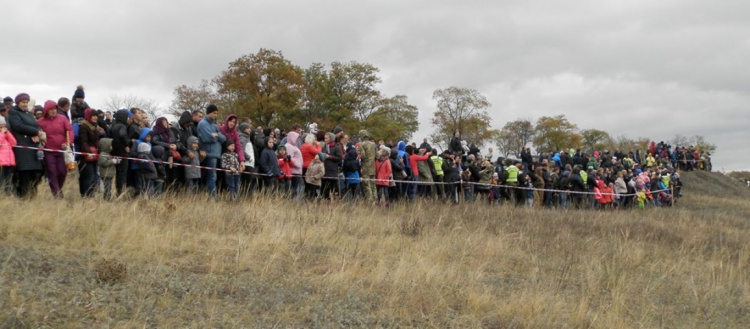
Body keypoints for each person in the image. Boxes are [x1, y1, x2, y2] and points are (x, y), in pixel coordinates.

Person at [7, 93, 44, 198]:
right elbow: (18, 126)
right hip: (22, 146)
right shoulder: (13, 113)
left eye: (27, 102)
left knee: (36, 173)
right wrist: (35, 132)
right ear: (18, 102)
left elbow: (35, 125)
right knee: (24, 173)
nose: (25, 104)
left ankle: (31, 195)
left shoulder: (28, 113)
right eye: (23, 102)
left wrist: (37, 133)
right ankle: (22, 196)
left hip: (33, 147)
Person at [37, 100, 73, 198]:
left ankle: (58, 189)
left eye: (55, 109)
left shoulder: (62, 118)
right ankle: (57, 194)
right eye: (51, 109)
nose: (53, 111)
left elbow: (69, 131)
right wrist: (40, 140)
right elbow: (37, 133)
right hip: (48, 151)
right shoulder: (41, 121)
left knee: (62, 172)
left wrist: (68, 143)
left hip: (62, 151)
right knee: (52, 172)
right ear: (46, 111)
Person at [196, 104, 226, 199]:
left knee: (214, 176)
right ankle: (212, 196)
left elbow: (223, 138)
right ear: (209, 112)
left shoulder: (214, 124)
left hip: (216, 153)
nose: (215, 115)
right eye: (214, 113)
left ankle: (212, 195)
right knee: (211, 175)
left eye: (217, 113)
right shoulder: (203, 123)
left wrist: (216, 135)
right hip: (209, 153)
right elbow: (207, 137)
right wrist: (215, 136)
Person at [78, 108, 101, 198]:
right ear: (88, 116)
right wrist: (88, 152)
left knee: (94, 176)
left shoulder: (96, 127)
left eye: (96, 116)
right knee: (89, 176)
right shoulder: (84, 126)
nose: (95, 117)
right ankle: (88, 196)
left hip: (95, 155)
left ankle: (90, 195)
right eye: (93, 115)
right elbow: (83, 141)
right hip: (86, 156)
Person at [108, 109, 131, 197]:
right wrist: (126, 145)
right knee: (123, 174)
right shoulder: (122, 126)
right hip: (122, 152)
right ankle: (121, 193)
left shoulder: (112, 126)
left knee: (117, 174)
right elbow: (123, 135)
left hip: (114, 152)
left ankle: (118, 191)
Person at [358, 130, 377, 202]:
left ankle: (369, 201)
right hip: (373, 167)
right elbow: (377, 156)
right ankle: (375, 200)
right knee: (373, 186)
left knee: (366, 185)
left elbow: (362, 155)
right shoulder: (373, 144)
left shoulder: (361, 145)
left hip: (365, 167)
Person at [0, 116, 17, 194]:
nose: (3, 127)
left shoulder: (6, 134)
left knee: (8, 178)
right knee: (2, 178)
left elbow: (14, 142)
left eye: (4, 125)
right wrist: (2, 134)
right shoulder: (2, 135)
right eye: (1, 126)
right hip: (1, 161)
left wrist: (8, 133)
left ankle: (7, 192)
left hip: (9, 161)